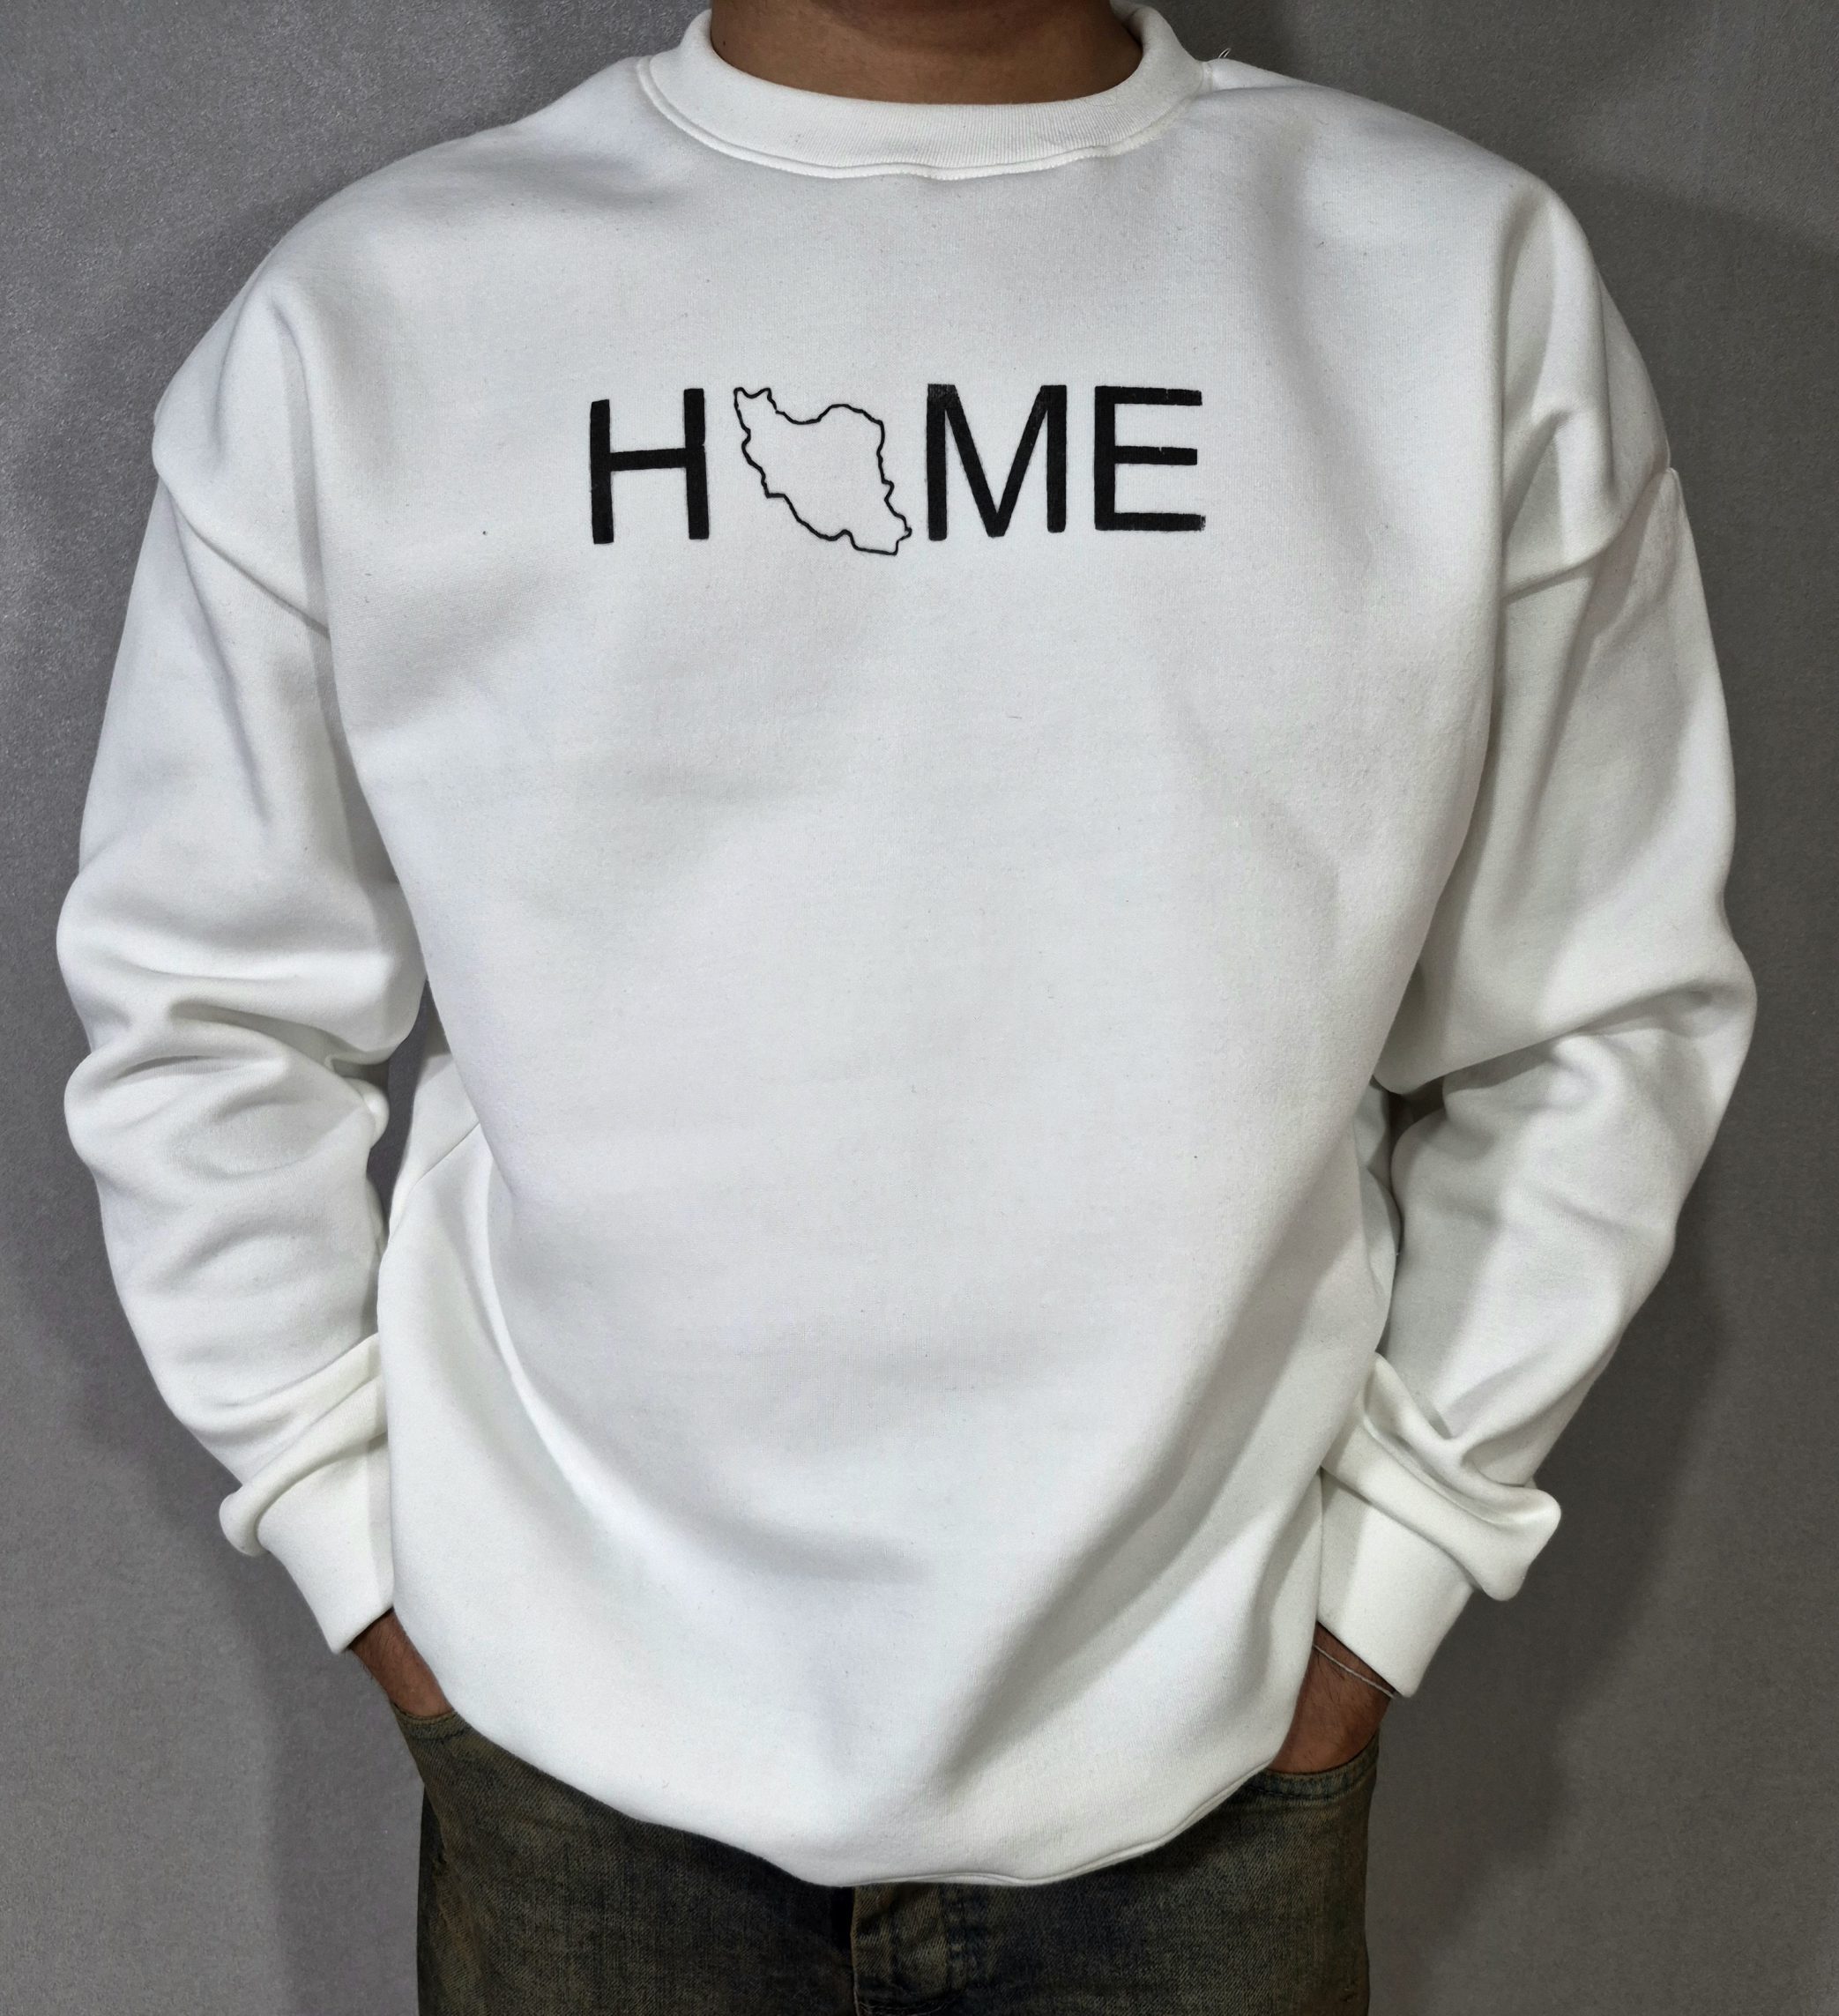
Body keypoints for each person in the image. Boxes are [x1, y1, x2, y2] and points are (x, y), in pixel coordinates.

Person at [53, 0, 1755, 2008]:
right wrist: (356, 1542)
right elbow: (202, 1006)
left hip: (1209, 1768)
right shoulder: (377, 316)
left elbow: (1596, 1009)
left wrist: (1390, 1571)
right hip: (565, 1757)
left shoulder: (1446, 283)